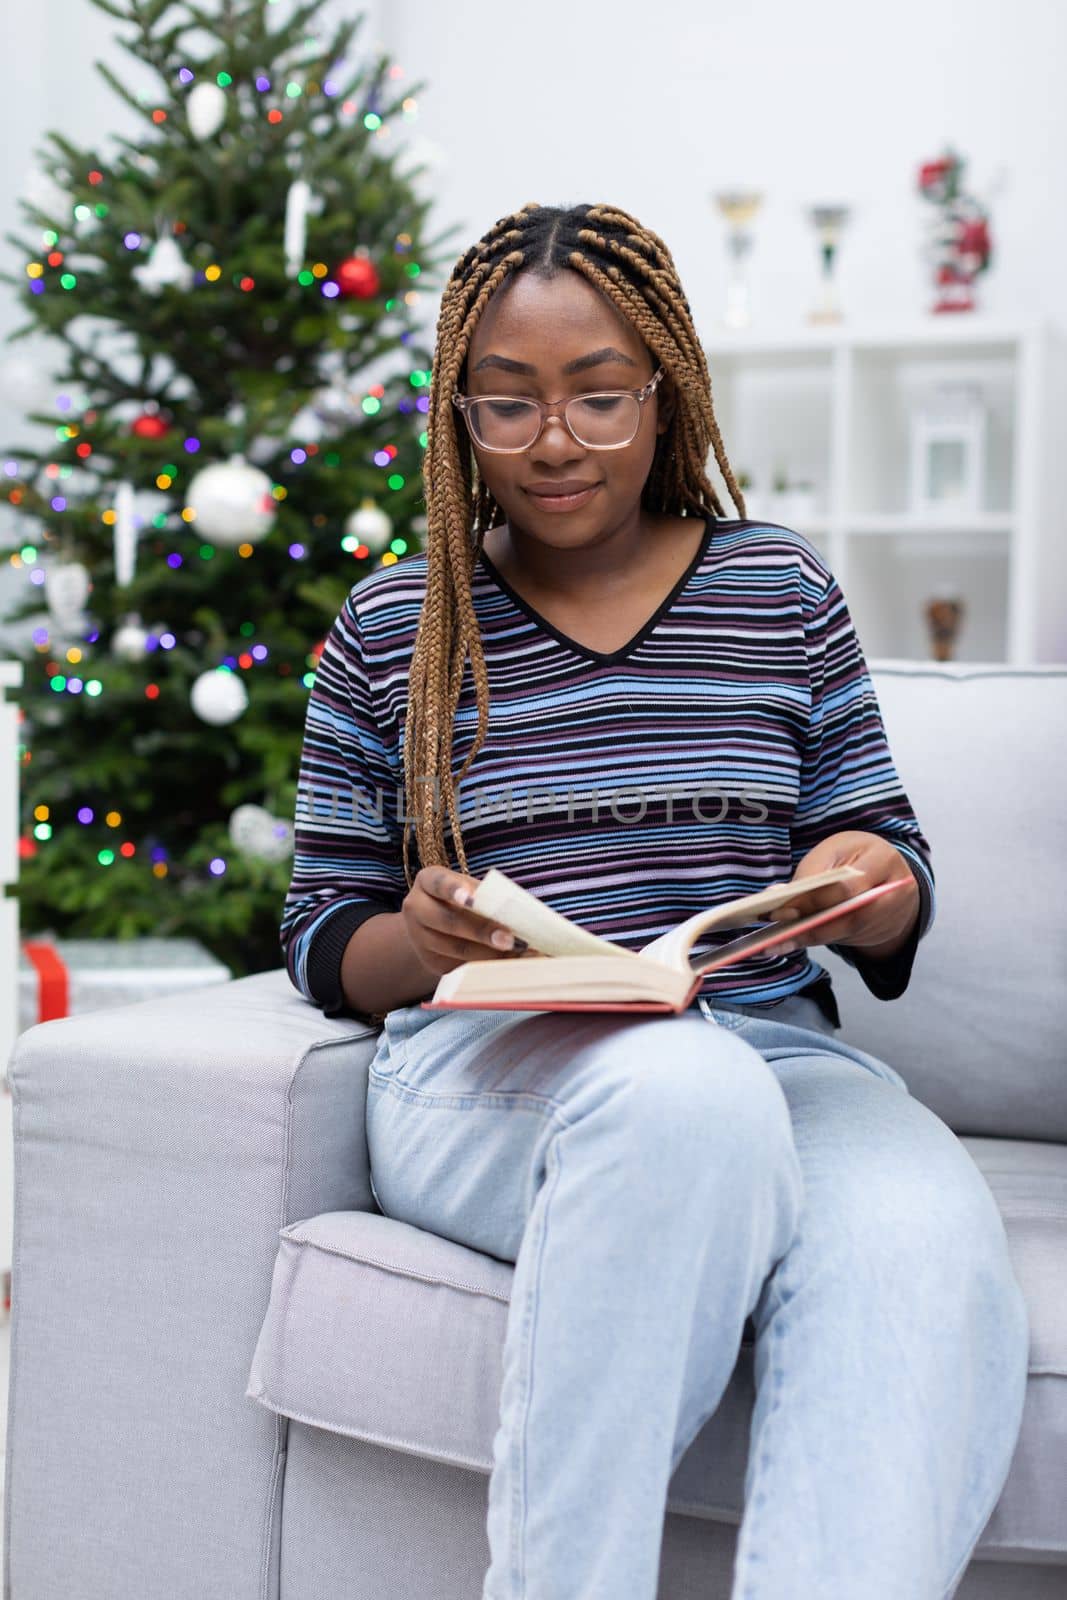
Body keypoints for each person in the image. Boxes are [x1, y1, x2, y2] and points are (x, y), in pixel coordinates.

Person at [279, 202, 1029, 1600]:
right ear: (458, 414)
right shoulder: (394, 627)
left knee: (918, 1240)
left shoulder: (779, 589)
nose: (554, 441)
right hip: (496, 1074)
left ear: (665, 392)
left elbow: (885, 847)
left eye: (599, 398)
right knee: (685, 1094)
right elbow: (325, 938)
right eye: (506, 405)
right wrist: (418, 940)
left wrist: (871, 889)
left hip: (782, 1058)